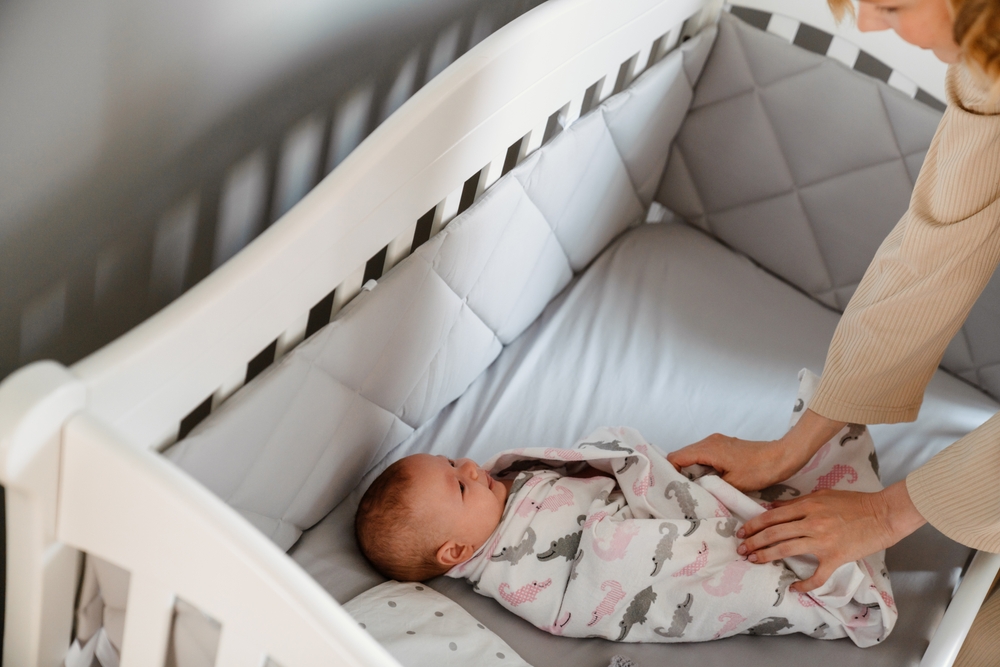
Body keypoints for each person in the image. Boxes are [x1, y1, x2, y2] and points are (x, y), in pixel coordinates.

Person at [666, 0, 1000, 662]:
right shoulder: (988, 69)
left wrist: (887, 513)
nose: (872, 29)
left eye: (890, 6)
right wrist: (796, 444)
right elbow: (936, 246)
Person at [355, 423, 896, 644]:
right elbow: (594, 581)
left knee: (711, 485)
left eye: (454, 461)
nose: (472, 466)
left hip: (649, 512)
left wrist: (628, 469)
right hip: (627, 557)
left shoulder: (514, 488)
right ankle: (835, 585)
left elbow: (602, 468)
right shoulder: (513, 573)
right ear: (456, 552)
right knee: (746, 560)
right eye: (460, 486)